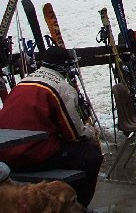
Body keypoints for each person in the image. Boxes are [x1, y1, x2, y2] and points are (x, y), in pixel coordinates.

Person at [0, 46, 103, 208]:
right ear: (65, 67)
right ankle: (77, 204)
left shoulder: (22, 83)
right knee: (91, 154)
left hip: (5, 154)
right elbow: (74, 134)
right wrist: (90, 131)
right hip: (31, 154)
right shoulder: (60, 88)